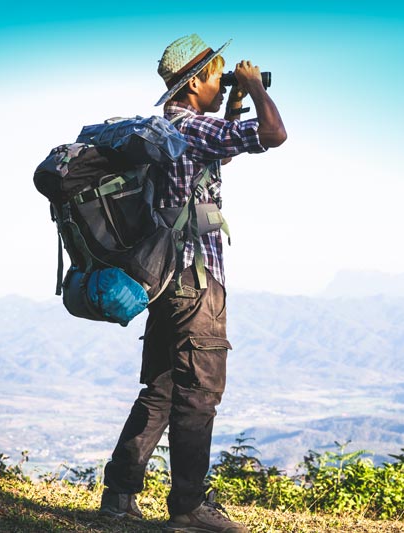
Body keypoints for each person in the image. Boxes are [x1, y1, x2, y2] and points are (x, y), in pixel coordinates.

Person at [98, 33, 286, 533]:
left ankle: (119, 495)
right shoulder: (194, 129)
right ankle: (187, 507)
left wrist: (233, 99)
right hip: (196, 283)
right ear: (197, 80)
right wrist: (256, 91)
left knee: (160, 389)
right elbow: (273, 135)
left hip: (161, 281)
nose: (219, 83)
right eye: (217, 77)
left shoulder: (166, 129)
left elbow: (215, 156)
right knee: (199, 394)